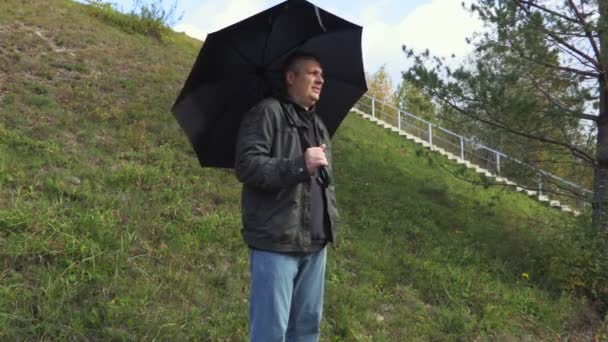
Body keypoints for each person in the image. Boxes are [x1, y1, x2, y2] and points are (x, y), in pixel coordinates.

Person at [234, 52, 340, 342]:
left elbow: (323, 183)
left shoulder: (319, 124)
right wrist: (298, 165)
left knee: (306, 330)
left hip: (315, 244)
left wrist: (330, 222)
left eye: (322, 74)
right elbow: (247, 165)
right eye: (312, 73)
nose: (320, 79)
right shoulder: (267, 113)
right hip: (276, 241)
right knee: (270, 333)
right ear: (291, 78)